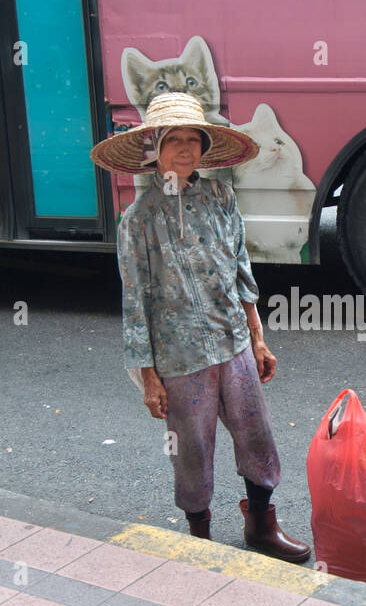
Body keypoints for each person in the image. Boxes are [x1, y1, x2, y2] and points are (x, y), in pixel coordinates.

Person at [90, 92, 311, 563]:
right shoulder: (138, 220)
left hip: (232, 342)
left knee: (257, 433)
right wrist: (148, 378)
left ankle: (261, 524)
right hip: (179, 357)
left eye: (194, 139)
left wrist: (257, 337)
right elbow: (135, 301)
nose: (186, 149)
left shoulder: (220, 196)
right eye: (175, 141)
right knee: (191, 450)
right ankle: (200, 538)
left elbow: (240, 268)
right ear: (155, 150)